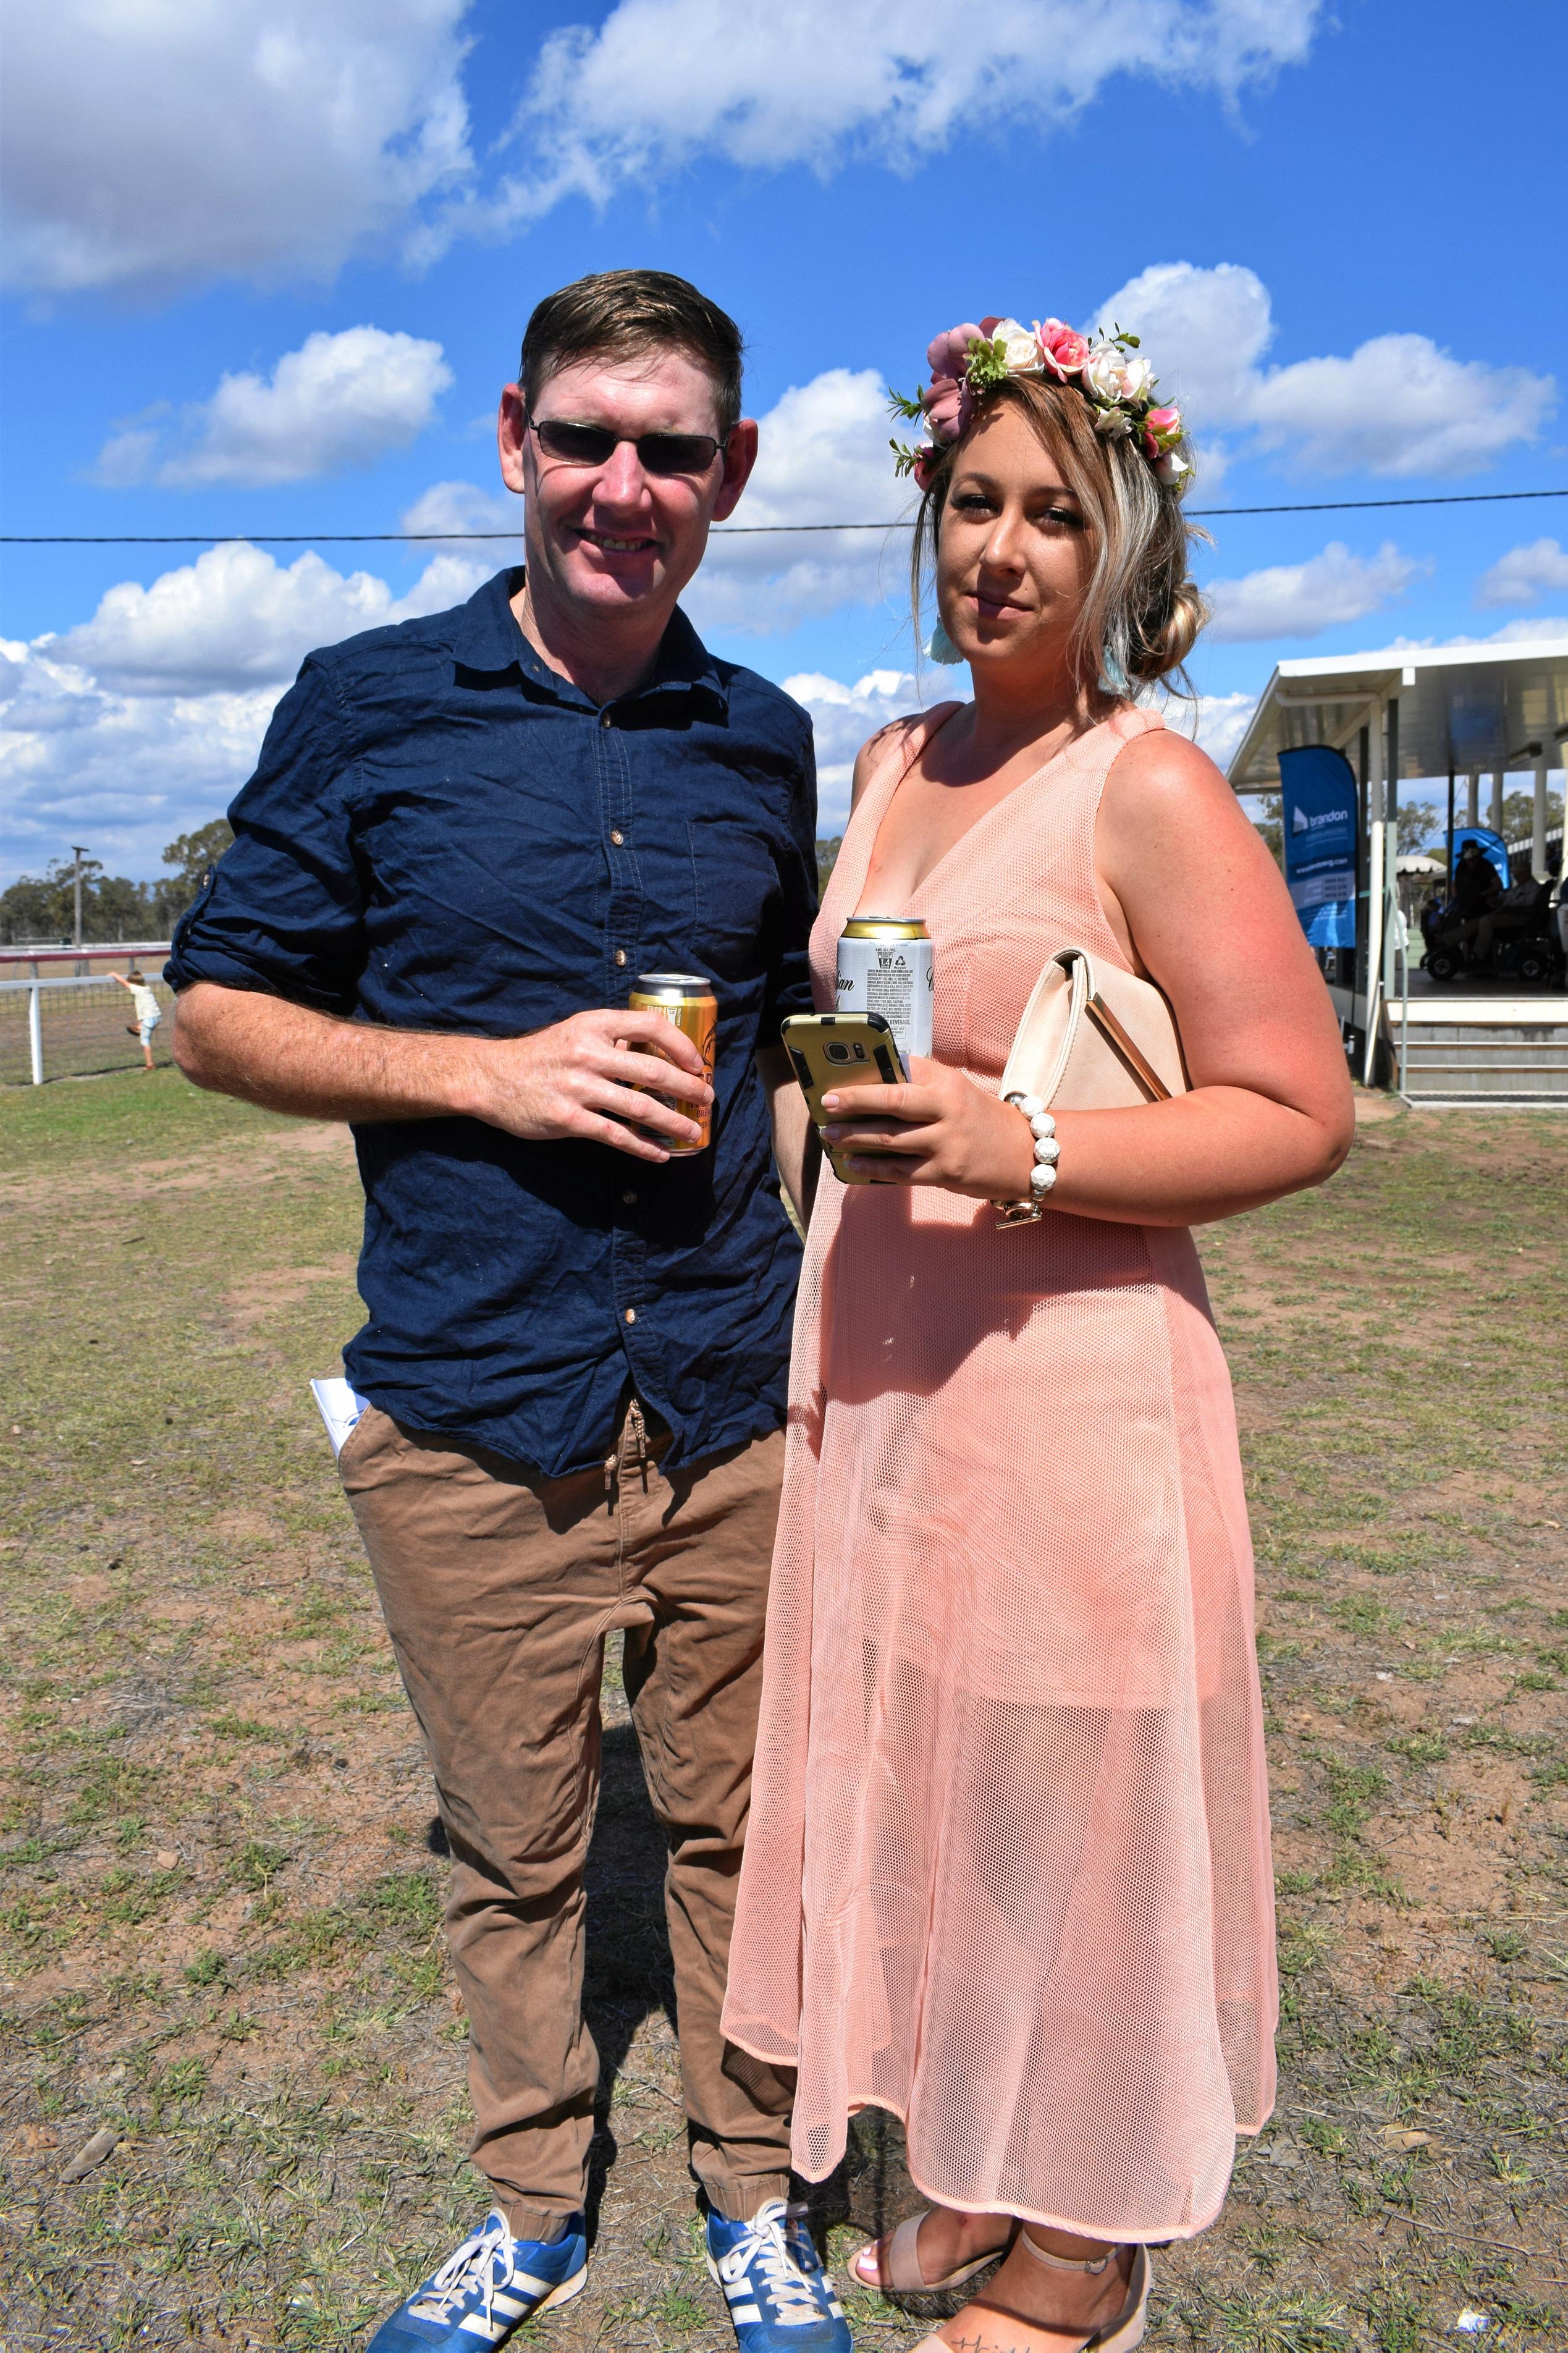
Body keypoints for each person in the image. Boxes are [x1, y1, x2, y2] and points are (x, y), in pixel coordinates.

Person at [167, 269, 850, 2353]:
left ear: (727, 474)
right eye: (582, 438)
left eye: (666, 448)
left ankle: (753, 2189)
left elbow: (801, 1024)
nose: (618, 485)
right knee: (516, 1838)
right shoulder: (367, 702)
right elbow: (210, 1011)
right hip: (476, 1397)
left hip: (735, 1382)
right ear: (510, 442)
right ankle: (533, 2197)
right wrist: (482, 1069)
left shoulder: (761, 735)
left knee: (745, 1816)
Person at [722, 313, 1355, 2353]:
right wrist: (827, 1098)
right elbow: (877, 1018)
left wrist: (1027, 1133)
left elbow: (1292, 1106)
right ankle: (980, 2164)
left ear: (1118, 552)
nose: (1000, 547)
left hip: (1066, 1387)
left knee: (1071, 1800)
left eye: (1049, 517)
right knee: (943, 1780)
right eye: (971, 503)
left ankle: (1080, 2244)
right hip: (883, 1387)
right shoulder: (895, 758)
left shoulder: (1145, 780)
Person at [112, 967, 161, 1069]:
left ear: (134, 982)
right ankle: (139, 1028)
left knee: (145, 1041)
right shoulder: (146, 988)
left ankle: (150, 1065)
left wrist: (114, 974)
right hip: (156, 1016)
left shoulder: (137, 989)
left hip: (149, 1018)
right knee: (145, 1025)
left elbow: (123, 982)